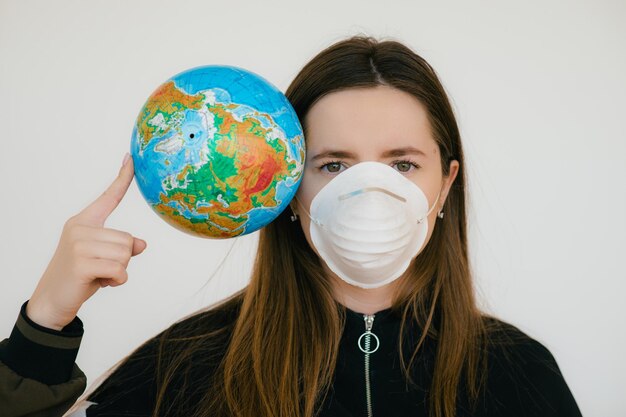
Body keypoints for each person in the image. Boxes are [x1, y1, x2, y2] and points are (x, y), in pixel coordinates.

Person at [0, 36, 583, 417]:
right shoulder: (188, 368)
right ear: (285, 187)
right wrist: (42, 330)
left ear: (445, 185)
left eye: (402, 164)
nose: (369, 193)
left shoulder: (519, 375)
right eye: (333, 166)